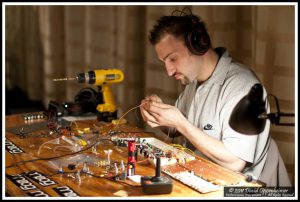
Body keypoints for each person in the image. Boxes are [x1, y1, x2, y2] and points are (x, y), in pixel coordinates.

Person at [139, 10, 291, 186]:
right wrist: (158, 114)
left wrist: (181, 123)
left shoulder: (242, 86)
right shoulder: (194, 82)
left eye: (172, 58)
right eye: (163, 62)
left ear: (198, 45)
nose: (169, 71)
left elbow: (235, 162)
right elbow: (176, 128)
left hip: (245, 188)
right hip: (205, 177)